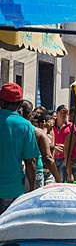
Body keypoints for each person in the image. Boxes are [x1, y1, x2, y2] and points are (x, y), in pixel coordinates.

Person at [0, 83, 39, 214]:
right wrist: (32, 189)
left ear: (1, 101)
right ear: (20, 103)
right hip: (12, 189)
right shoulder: (25, 126)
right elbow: (30, 161)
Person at [52, 104, 74, 181]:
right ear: (57, 113)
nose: (63, 115)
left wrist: (66, 146)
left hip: (64, 158)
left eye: (65, 113)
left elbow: (74, 141)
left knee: (61, 181)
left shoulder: (71, 126)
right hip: (52, 157)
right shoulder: (51, 125)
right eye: (61, 112)